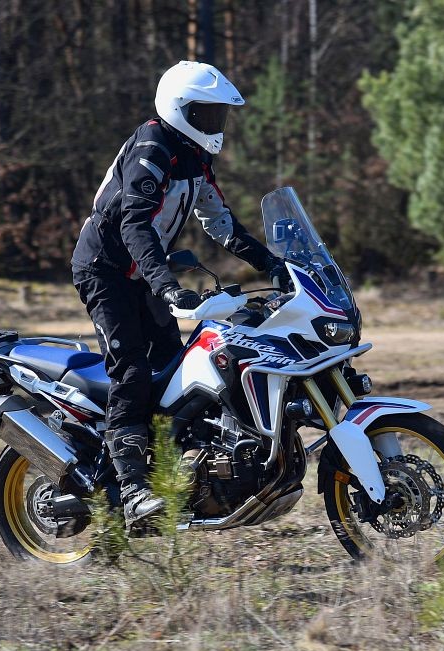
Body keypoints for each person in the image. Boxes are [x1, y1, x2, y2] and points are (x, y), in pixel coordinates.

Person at [70, 61, 287, 526]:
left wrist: (273, 264)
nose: (215, 123)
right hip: (104, 271)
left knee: (175, 370)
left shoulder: (194, 157)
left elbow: (221, 224)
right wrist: (167, 286)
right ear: (177, 109)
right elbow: (134, 224)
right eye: (205, 113)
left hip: (144, 275)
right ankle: (132, 490)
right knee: (131, 369)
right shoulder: (152, 149)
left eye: (218, 114)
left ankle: (177, 470)